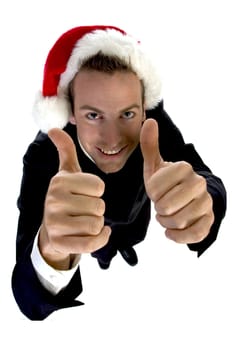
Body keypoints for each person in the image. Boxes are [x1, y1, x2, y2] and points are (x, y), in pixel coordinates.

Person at [11, 25, 226, 320]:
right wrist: (50, 248)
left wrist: (203, 200)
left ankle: (122, 248)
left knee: (127, 240)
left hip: (136, 221)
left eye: (127, 114)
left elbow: (201, 175)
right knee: (102, 251)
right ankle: (104, 257)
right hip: (92, 232)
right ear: (69, 113)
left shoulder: (153, 124)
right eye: (93, 115)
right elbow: (28, 298)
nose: (113, 140)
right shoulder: (43, 154)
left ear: (143, 108)